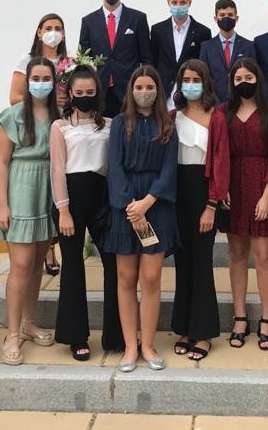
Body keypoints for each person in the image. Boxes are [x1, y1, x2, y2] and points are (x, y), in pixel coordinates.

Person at [104, 66, 179, 372]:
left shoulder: (167, 124)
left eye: (149, 87)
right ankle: (130, 346)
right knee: (126, 278)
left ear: (157, 90)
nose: (144, 92)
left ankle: (147, 344)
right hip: (125, 207)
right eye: (139, 87)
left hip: (156, 206)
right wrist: (131, 207)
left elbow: (169, 169)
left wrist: (147, 203)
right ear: (131, 90)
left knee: (150, 278)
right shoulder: (120, 124)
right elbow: (115, 166)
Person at [50, 66, 124, 360]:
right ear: (70, 94)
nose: (84, 97)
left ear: (98, 93)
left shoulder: (111, 125)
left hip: (102, 199)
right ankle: (76, 336)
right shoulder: (60, 127)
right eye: (79, 92)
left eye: (90, 92)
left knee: (113, 264)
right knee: (72, 267)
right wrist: (63, 210)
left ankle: (115, 334)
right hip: (71, 199)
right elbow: (57, 170)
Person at [0, 57, 60, 366]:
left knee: (36, 266)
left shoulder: (59, 116)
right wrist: (3, 204)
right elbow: (1, 163)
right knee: (20, 265)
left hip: (47, 191)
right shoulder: (13, 116)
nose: (41, 83)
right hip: (20, 191)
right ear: (27, 81)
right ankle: (12, 333)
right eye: (36, 78)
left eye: (46, 78)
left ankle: (29, 323)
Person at [207, 58, 268, 351]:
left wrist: (267, 194)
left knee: (264, 256)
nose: (243, 82)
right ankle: (240, 317)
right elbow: (217, 154)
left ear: (257, 79)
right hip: (233, 189)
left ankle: (267, 319)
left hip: (261, 186)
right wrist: (220, 188)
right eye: (238, 79)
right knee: (236, 254)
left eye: (248, 77)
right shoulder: (222, 113)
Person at [170, 60, 228, 360]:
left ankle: (203, 332)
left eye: (196, 80)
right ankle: (184, 327)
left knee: (202, 262)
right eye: (186, 79)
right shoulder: (172, 116)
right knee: (182, 262)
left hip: (204, 193)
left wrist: (211, 205)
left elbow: (221, 162)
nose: (190, 84)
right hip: (177, 194)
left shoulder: (216, 117)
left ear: (205, 83)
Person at [79, 0, 153, 117]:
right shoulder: (88, 21)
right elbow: (84, 59)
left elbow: (146, 58)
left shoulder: (138, 19)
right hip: (100, 91)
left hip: (129, 91)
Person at [150, 0, 212, 109]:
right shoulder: (157, 30)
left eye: (182, 2)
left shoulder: (203, 32)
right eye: (174, 2)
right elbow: (153, 61)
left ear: (190, 3)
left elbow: (203, 66)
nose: (178, 6)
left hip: (190, 92)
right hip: (163, 93)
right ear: (168, 2)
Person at [198, 0, 255, 103]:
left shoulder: (249, 46)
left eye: (230, 15)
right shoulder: (206, 47)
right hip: (214, 104)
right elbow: (204, 77)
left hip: (242, 103)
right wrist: (215, 104)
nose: (226, 18)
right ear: (215, 19)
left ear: (236, 18)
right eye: (222, 15)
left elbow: (254, 76)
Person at [9, 13, 69, 106]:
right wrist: (49, 101)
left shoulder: (69, 63)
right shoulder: (27, 61)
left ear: (63, 33)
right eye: (48, 28)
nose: (53, 33)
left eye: (57, 29)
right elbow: (14, 98)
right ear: (39, 32)